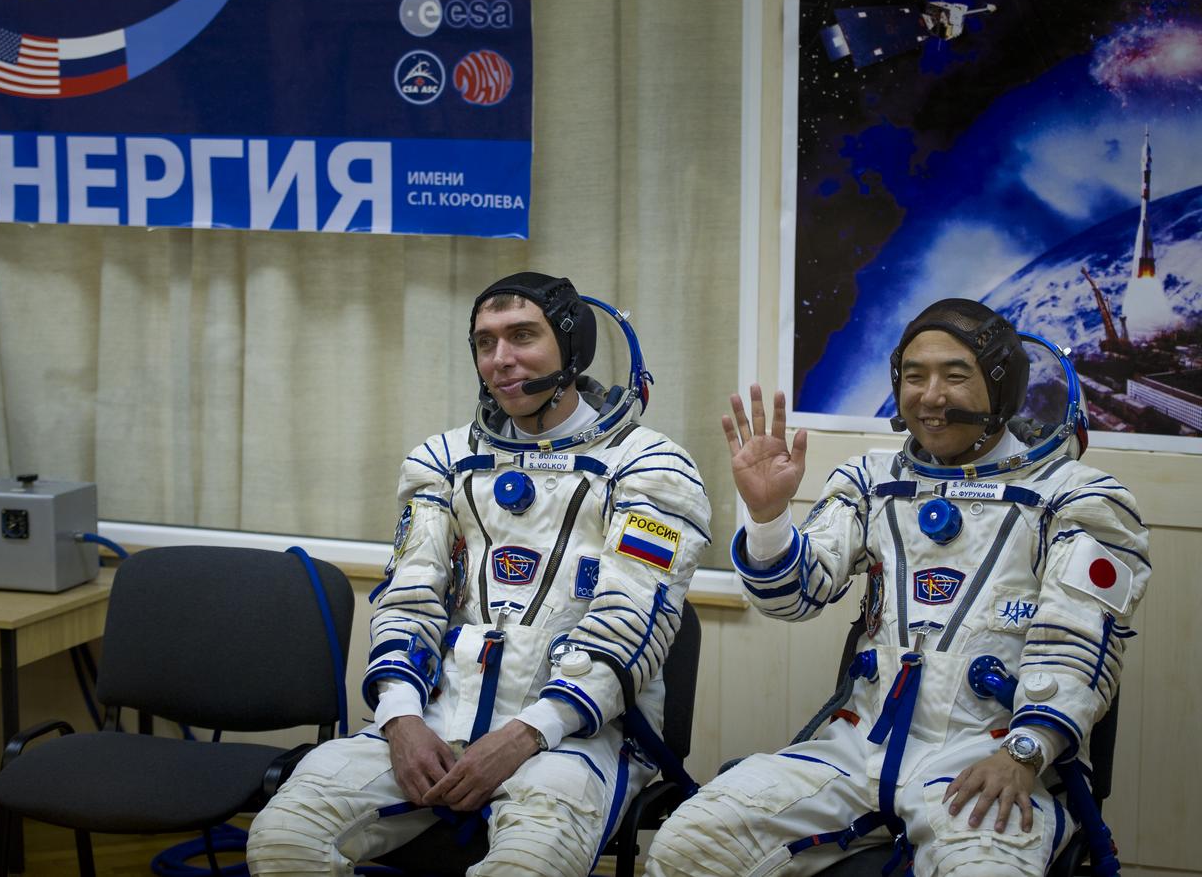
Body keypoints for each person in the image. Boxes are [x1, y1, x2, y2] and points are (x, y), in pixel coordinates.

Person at [646, 298, 1150, 876]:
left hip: (990, 752)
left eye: (955, 376)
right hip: (857, 747)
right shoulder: (872, 484)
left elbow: (1076, 645)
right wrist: (767, 519)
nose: (930, 397)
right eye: (914, 377)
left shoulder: (1078, 500)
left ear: (1002, 388)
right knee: (690, 845)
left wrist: (1025, 752)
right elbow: (792, 598)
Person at [247, 272, 711, 876]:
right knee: (281, 839)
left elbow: (632, 628)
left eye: (523, 336)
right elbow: (407, 601)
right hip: (437, 719)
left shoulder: (651, 469)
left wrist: (527, 733)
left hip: (579, 737)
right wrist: (400, 718)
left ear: (572, 349)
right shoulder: (441, 462)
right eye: (485, 342)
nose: (501, 359)